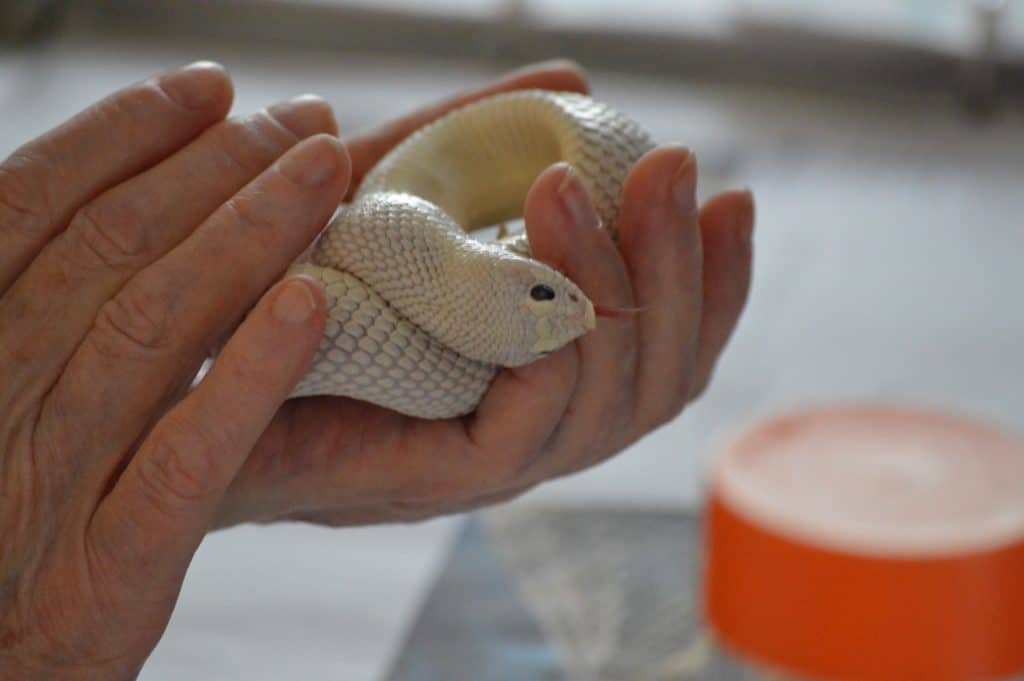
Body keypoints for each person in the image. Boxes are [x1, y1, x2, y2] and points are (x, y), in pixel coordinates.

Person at [0, 59, 753, 677]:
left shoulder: (390, 250)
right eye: (547, 299)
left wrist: (231, 470)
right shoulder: (389, 252)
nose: (575, 309)